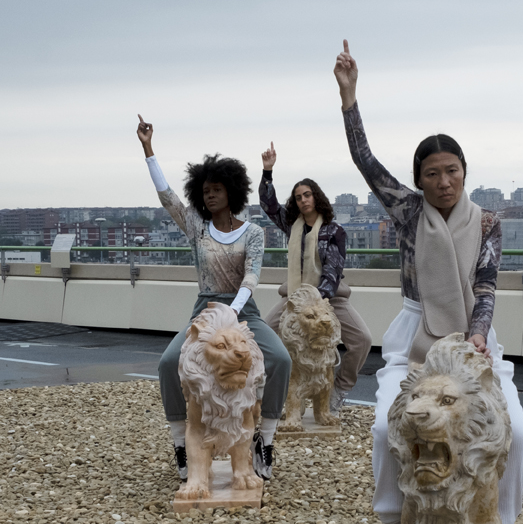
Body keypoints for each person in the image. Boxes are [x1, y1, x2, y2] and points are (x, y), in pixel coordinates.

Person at [335, 40, 523, 524]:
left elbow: (488, 285)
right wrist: (350, 98)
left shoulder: (488, 221)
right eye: (432, 173)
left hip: (475, 338)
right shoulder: (407, 211)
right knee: (384, 429)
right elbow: (365, 164)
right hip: (417, 337)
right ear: (419, 179)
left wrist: (477, 336)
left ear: (464, 172)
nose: (443, 182)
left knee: (515, 432)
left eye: (451, 171)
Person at [136, 116, 291, 482]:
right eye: (205, 189)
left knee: (280, 359)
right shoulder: (195, 226)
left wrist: (231, 313)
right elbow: (167, 197)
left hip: (243, 311)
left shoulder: (253, 232)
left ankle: (264, 440)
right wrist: (148, 149)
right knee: (168, 362)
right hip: (204, 309)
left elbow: (252, 276)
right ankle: (180, 444)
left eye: (217, 188)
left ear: (232, 192)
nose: (210, 194)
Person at [257, 142, 373, 414]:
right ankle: (271, 390)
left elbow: (333, 269)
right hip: (293, 298)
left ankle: (340, 389)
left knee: (363, 339)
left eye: (307, 194)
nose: (303, 200)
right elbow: (268, 205)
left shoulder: (335, 231)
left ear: (316, 197)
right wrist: (268, 171)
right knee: (262, 335)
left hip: (329, 300)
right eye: (298, 197)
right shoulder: (292, 225)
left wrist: (317, 299)